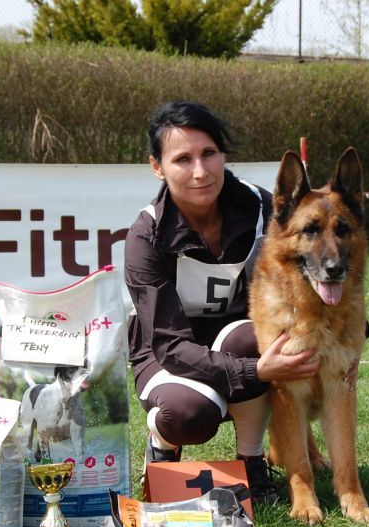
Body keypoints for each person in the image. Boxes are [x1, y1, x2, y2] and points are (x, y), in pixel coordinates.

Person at [124, 101, 320, 503]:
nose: (200, 171)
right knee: (188, 414)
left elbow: (313, 271)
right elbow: (170, 346)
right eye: (182, 159)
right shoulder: (145, 236)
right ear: (157, 167)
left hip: (238, 338)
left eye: (208, 153)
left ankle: (251, 464)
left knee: (255, 337)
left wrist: (352, 334)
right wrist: (256, 371)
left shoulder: (263, 208)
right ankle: (162, 446)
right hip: (167, 352)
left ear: (223, 155)